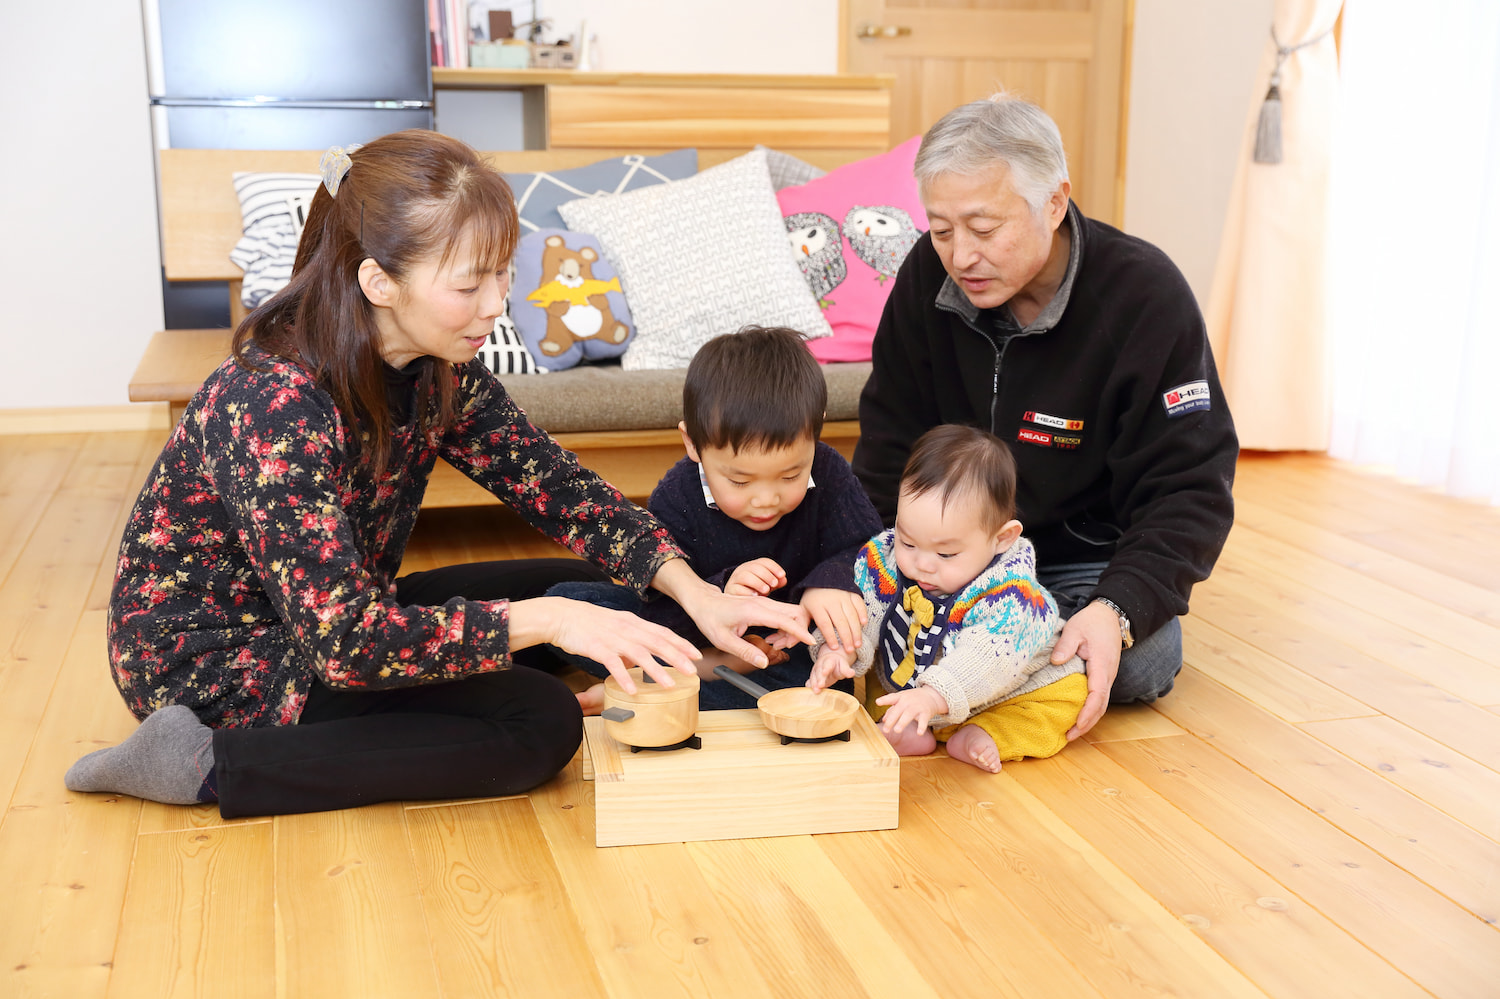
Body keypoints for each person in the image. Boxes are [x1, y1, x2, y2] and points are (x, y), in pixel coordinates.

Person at [64, 131, 810, 818]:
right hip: (221, 665)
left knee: (578, 591)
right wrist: (550, 626)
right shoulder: (273, 403)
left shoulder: (438, 370)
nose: (496, 306)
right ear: (379, 282)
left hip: (335, 612)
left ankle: (652, 656)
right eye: (469, 285)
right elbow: (347, 646)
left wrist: (695, 593)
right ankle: (201, 764)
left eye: (501, 278)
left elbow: (560, 490)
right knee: (537, 723)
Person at [853, 94, 1238, 741]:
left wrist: (1117, 609)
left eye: (982, 228)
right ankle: (981, 679)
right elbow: (889, 445)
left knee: (1144, 661)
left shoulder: (1144, 295)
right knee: (827, 615)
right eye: (942, 230)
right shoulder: (926, 275)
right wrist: (849, 575)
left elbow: (1191, 489)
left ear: (1053, 203)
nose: (959, 256)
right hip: (939, 560)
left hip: (1073, 569)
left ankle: (956, 681)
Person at [550, 325, 884, 710]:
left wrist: (829, 583)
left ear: (815, 430)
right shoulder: (677, 496)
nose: (765, 499)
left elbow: (871, 549)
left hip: (789, 648)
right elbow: (660, 604)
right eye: (739, 481)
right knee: (570, 602)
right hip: (700, 641)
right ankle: (708, 670)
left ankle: (642, 691)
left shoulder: (829, 471)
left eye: (791, 476)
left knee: (821, 681)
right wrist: (722, 590)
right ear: (693, 443)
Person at [810, 425, 1084, 772]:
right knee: (878, 689)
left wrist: (934, 695)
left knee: (1068, 692)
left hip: (1006, 690)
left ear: (1001, 539)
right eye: (909, 542)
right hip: (914, 685)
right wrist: (837, 649)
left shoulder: (1015, 597)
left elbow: (987, 656)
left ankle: (986, 733)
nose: (921, 564)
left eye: (947, 554)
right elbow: (861, 612)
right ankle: (911, 728)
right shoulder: (886, 557)